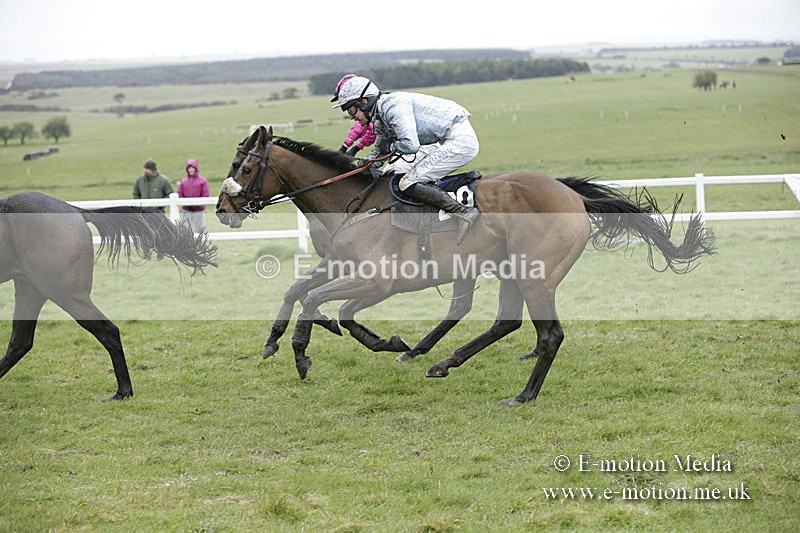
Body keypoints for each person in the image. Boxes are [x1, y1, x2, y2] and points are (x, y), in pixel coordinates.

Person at [331, 75, 480, 244]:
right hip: (446, 140)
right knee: (399, 176)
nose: (351, 117)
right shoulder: (380, 114)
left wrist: (391, 146)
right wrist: (365, 164)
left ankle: (463, 212)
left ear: (364, 102)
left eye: (351, 110)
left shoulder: (392, 106)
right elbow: (380, 149)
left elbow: (410, 145)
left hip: (459, 141)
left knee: (407, 182)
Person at [332, 74, 376, 156]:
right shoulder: (365, 111)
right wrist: (345, 146)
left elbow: (372, 130)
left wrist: (356, 148)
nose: (351, 117)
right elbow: (359, 127)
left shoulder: (374, 110)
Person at [177, 159, 210, 231]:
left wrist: (197, 205)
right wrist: (186, 204)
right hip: (186, 210)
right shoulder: (183, 182)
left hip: (199, 210)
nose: (191, 170)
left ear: (196, 168)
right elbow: (180, 194)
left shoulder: (203, 181)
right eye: (189, 168)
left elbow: (205, 194)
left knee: (200, 230)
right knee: (185, 230)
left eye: (192, 168)